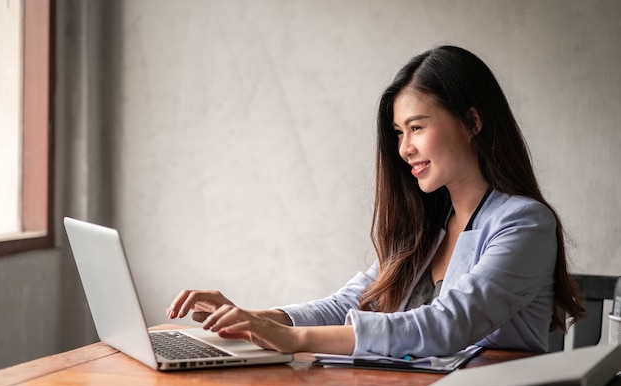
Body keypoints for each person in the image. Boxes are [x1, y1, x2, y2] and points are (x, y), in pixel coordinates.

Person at [166, 45, 585, 358]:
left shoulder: (524, 223)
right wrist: (257, 319)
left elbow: (449, 325)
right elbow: (351, 303)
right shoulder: (429, 226)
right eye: (399, 133)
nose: (404, 149)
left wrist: (296, 340)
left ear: (473, 121)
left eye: (417, 128)